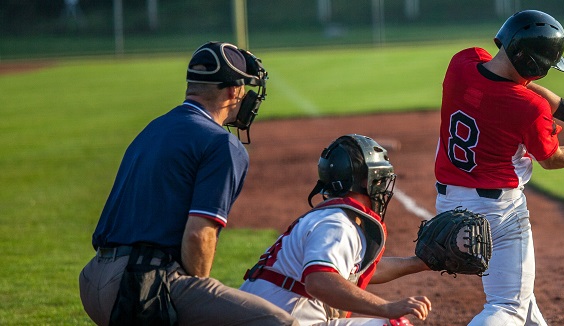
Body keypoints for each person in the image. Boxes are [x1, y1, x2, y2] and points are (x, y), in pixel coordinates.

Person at [80, 41, 299, 326]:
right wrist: (201, 294)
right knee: (281, 323)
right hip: (140, 287)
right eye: (244, 88)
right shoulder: (222, 144)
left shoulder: (153, 128)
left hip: (92, 279)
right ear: (233, 91)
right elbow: (199, 236)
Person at [433, 10, 564, 326]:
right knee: (507, 306)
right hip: (498, 212)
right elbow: (553, 159)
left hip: (447, 204)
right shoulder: (528, 108)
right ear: (535, 66)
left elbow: (511, 79)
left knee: (520, 299)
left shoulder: (462, 63)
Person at [240, 134, 433, 325]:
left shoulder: (330, 217)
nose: (383, 184)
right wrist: (387, 308)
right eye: (380, 177)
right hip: (283, 320)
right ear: (366, 180)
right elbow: (319, 280)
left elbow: (352, 271)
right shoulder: (338, 224)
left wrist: (419, 263)